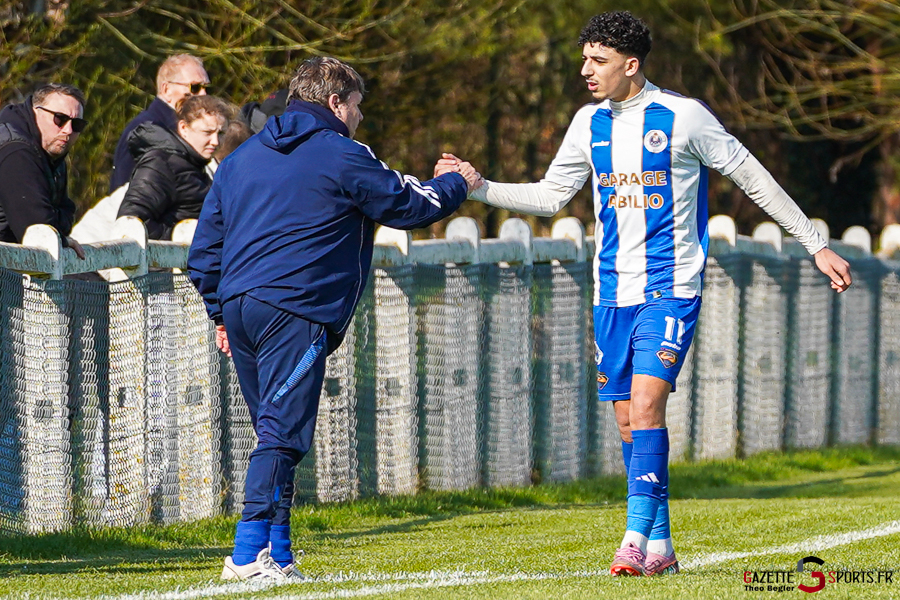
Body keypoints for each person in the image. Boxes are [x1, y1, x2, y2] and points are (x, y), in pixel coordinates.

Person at [436, 11, 852, 577]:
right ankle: (661, 547)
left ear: (631, 65)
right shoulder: (588, 123)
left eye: (598, 60)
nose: (586, 70)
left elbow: (754, 178)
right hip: (611, 292)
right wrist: (480, 187)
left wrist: (815, 244)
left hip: (670, 287)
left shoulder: (684, 118)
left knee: (648, 405)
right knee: (629, 422)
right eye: (584, 59)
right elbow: (551, 196)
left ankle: (631, 541)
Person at [187, 56, 480, 581]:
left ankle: (278, 555)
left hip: (240, 309)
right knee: (282, 434)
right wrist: (457, 183)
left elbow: (204, 252)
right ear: (336, 101)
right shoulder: (342, 152)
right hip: (295, 307)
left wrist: (221, 314)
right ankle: (247, 553)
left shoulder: (240, 158)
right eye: (358, 106)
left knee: (274, 430)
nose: (360, 117)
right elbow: (407, 206)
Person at [117, 95, 230, 240]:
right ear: (183, 128)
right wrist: (179, 239)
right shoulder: (161, 164)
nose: (215, 141)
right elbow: (132, 223)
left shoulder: (197, 167)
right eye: (207, 132)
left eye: (220, 134)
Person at [0, 82, 87, 259]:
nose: (68, 130)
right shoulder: (16, 151)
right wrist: (61, 237)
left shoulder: (51, 151)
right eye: (60, 119)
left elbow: (67, 213)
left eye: (77, 124)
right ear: (36, 111)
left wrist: (56, 225)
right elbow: (37, 229)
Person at [110, 54, 210, 193]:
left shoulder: (179, 129)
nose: (203, 94)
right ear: (166, 89)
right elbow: (126, 191)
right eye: (195, 87)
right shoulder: (145, 131)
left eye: (206, 87)